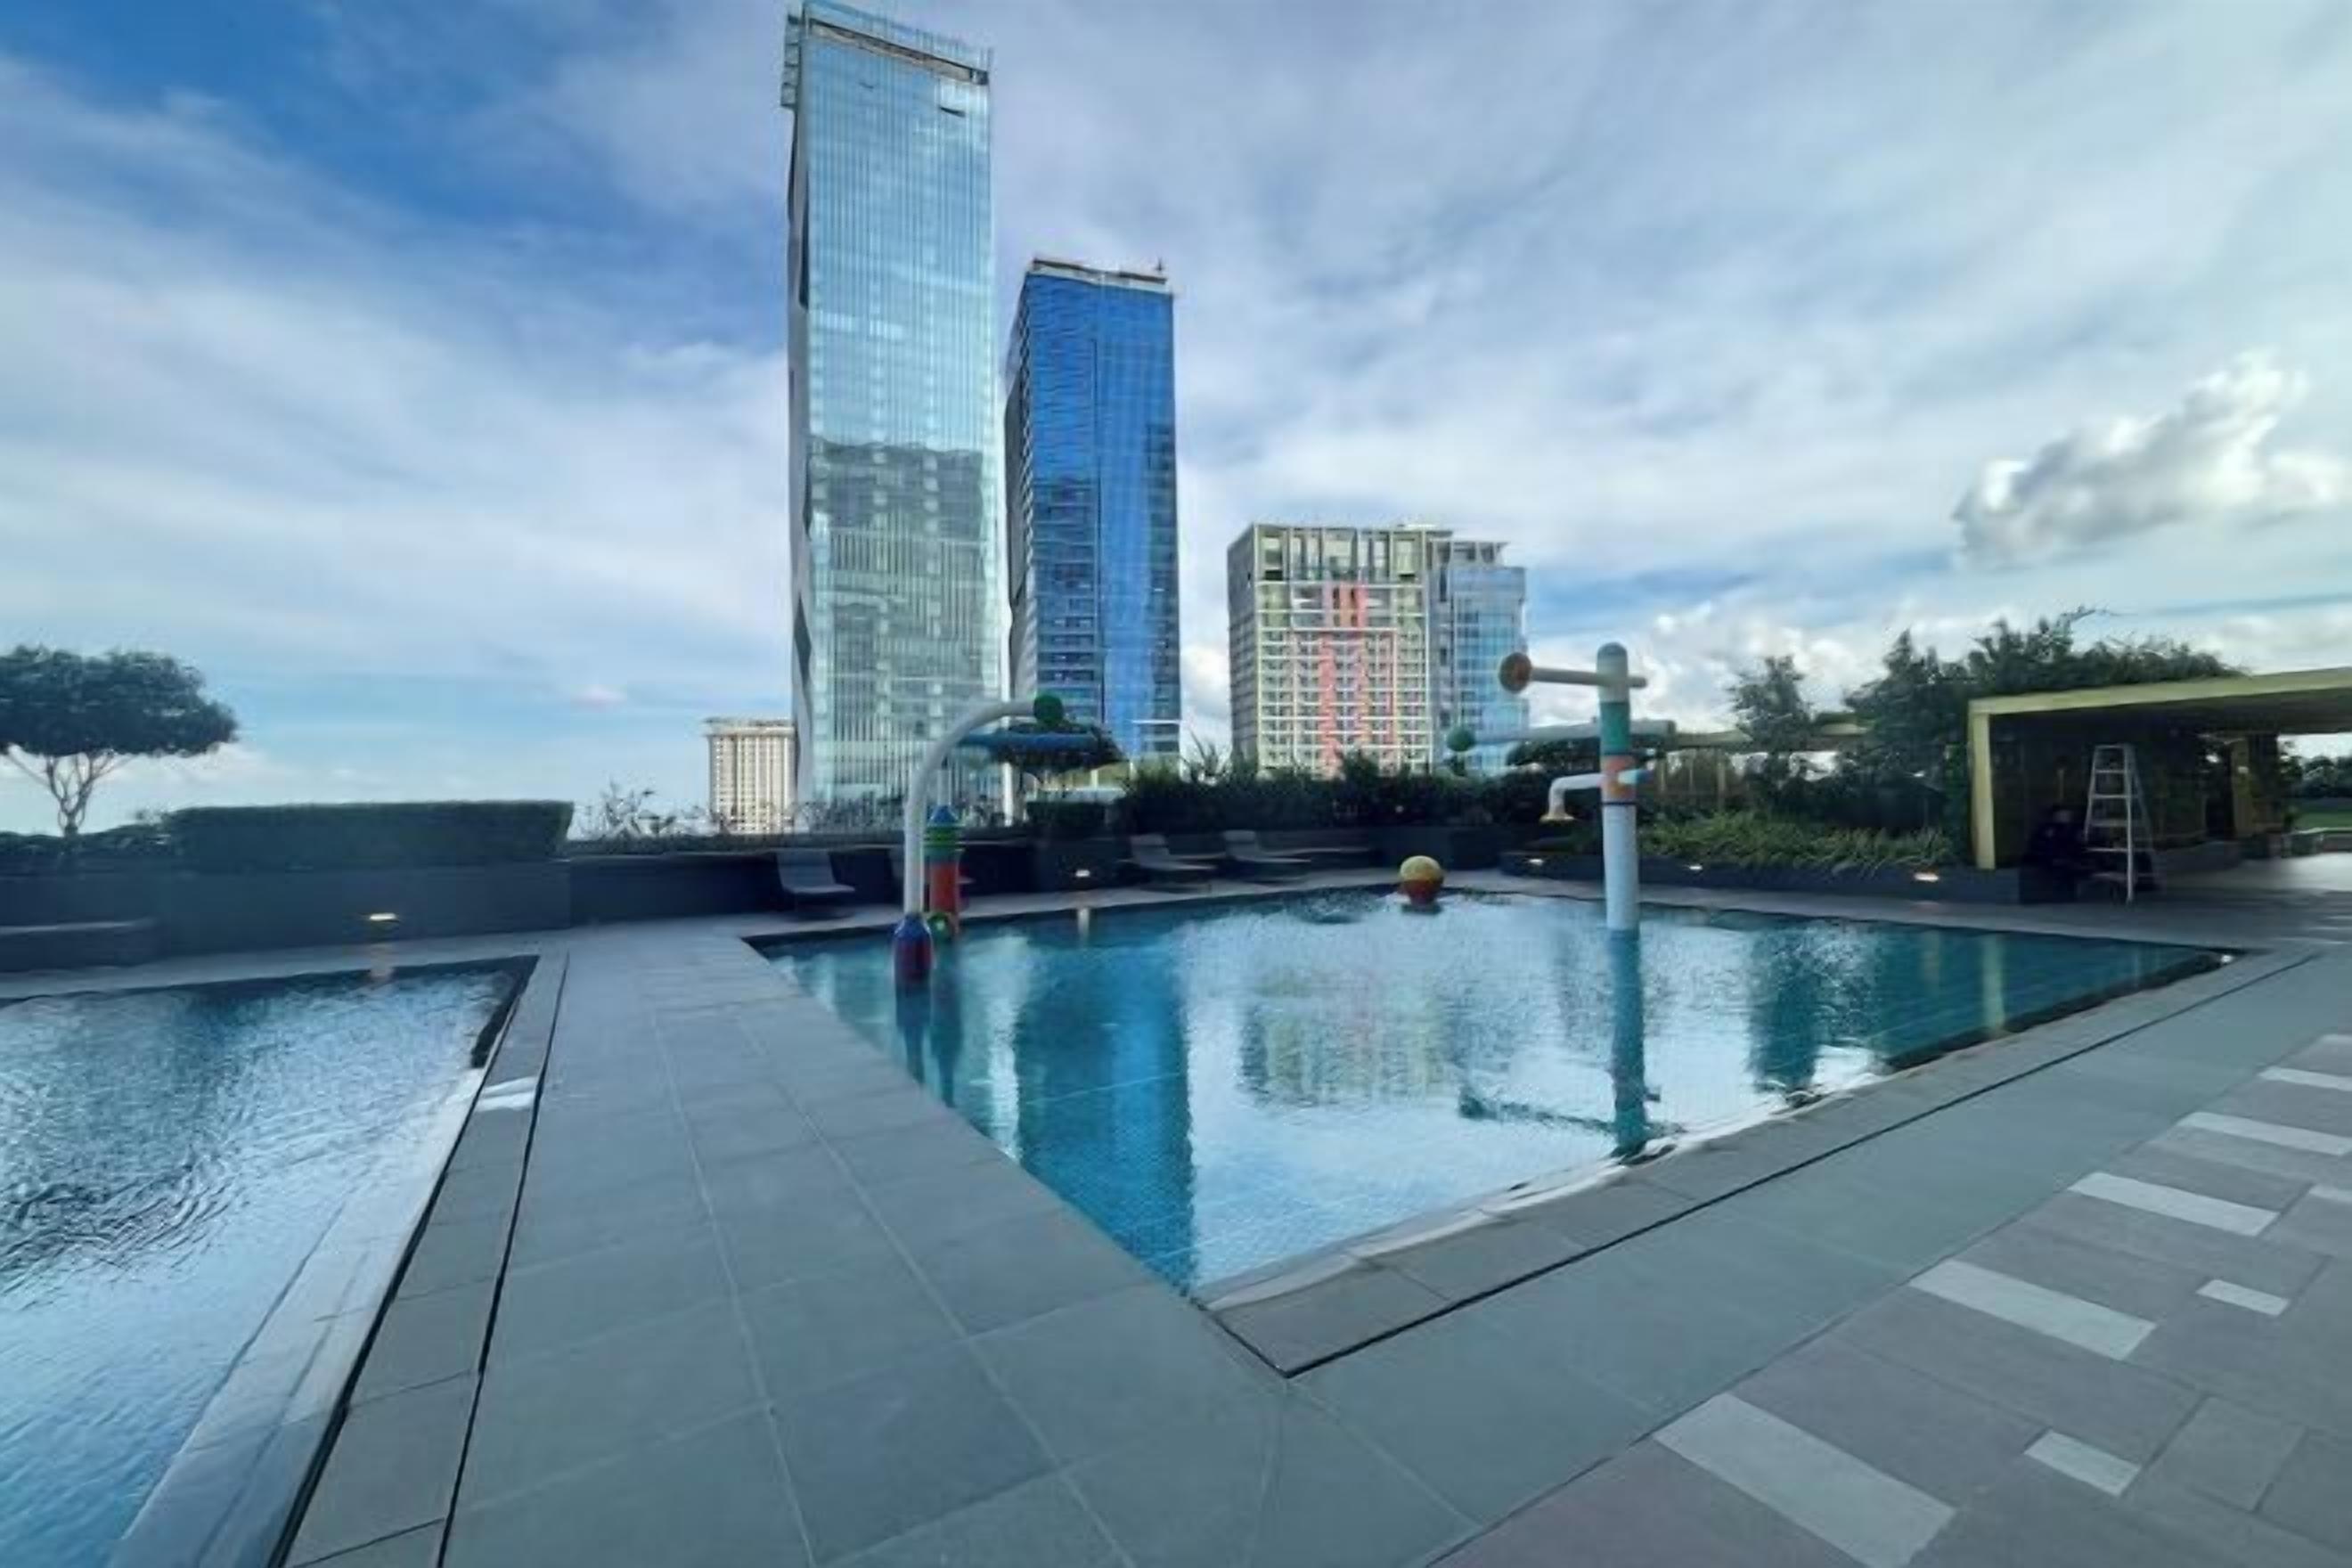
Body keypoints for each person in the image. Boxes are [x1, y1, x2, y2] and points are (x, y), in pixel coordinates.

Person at [2024, 803, 2092, 889]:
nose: (2067, 816)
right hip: (2049, 863)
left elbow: (2079, 846)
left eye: (2068, 814)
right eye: (2063, 814)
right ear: (2056, 816)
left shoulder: (2073, 829)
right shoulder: (2047, 829)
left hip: (2065, 862)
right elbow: (2042, 847)